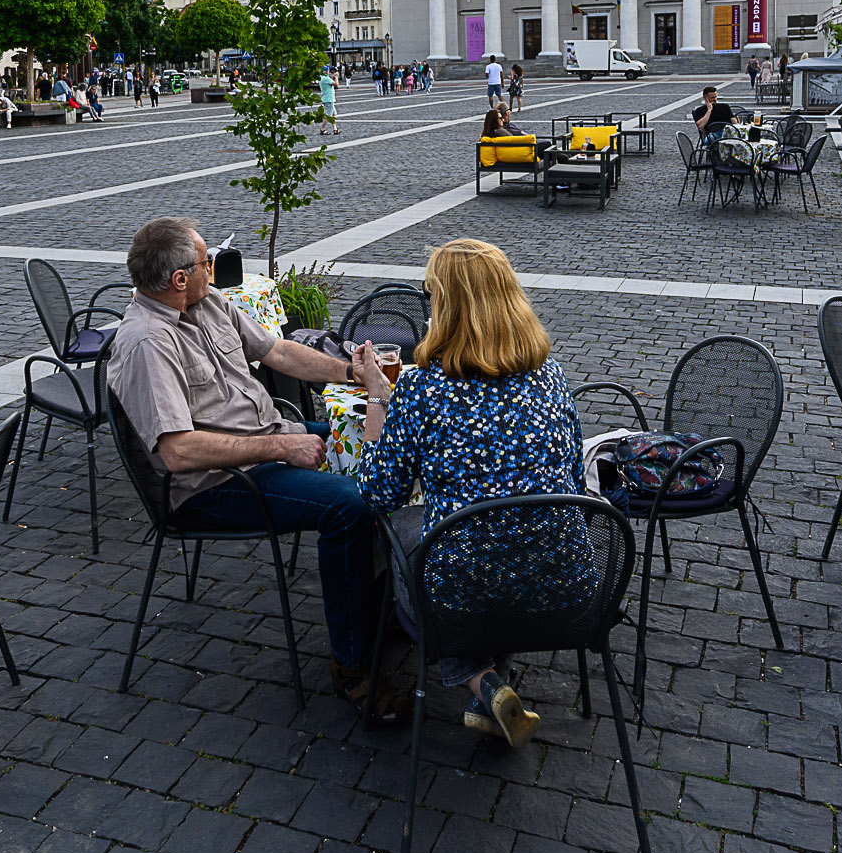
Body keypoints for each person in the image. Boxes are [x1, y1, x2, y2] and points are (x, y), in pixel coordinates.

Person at [108, 217, 407, 720]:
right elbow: (179, 452)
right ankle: (353, 666)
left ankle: (383, 606)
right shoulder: (146, 343)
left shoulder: (206, 303)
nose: (213, 267)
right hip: (217, 485)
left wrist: (350, 372)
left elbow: (279, 351)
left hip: (271, 439)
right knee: (349, 506)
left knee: (388, 453)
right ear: (179, 278)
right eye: (206, 262)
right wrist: (278, 451)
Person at [352, 238, 589, 748]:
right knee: (487, 542)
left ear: (447, 305)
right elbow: (574, 479)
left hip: (467, 588)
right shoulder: (550, 375)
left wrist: (377, 400)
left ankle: (481, 680)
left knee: (412, 534)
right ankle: (488, 690)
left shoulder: (422, 388)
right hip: (564, 587)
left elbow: (377, 491)